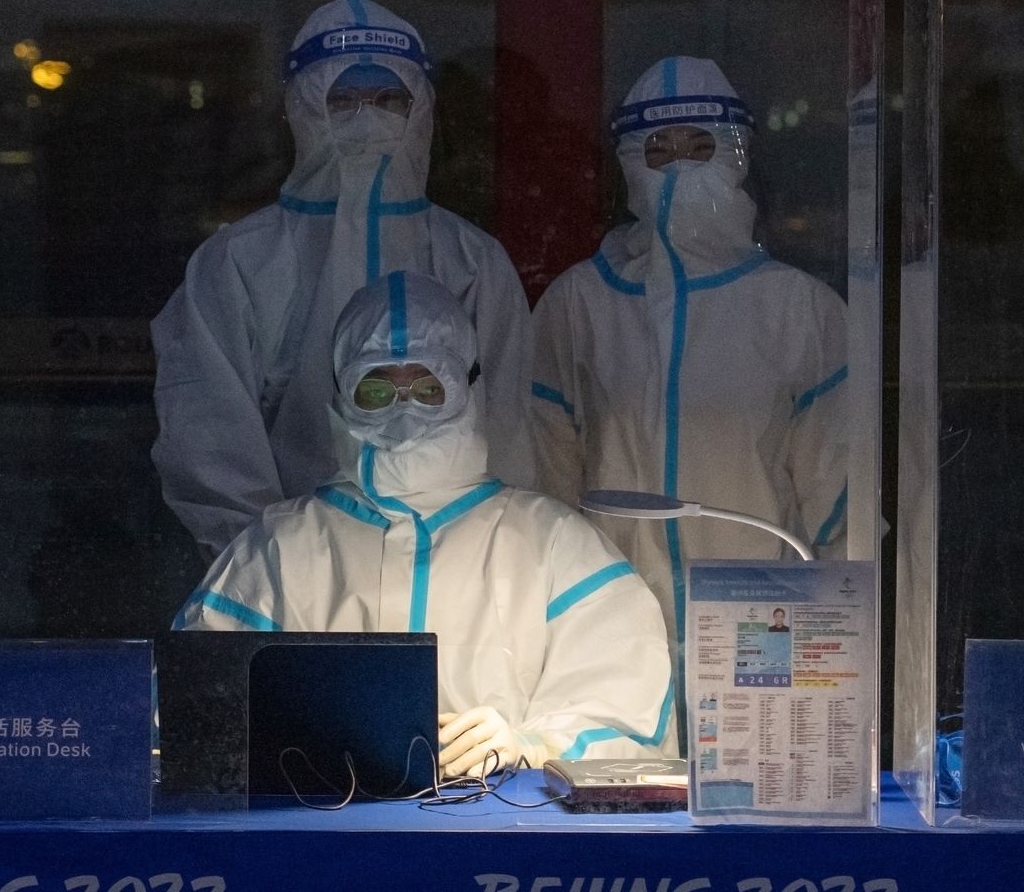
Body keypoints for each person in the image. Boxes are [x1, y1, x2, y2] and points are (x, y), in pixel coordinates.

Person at [176, 272, 672, 776]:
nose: (404, 411)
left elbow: (630, 711)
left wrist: (536, 745)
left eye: (428, 387)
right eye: (376, 389)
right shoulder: (281, 548)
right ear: (340, 393)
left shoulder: (555, 546)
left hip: (502, 842)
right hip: (326, 838)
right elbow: (194, 710)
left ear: (469, 385)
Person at [154, 0, 535, 560]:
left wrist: (488, 560)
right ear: (303, 110)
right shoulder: (239, 261)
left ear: (422, 109)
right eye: (344, 100)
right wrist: (268, 568)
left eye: (388, 99)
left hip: (455, 563)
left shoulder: (472, 259)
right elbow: (209, 433)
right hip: (289, 573)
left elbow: (507, 424)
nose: (368, 119)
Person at [529, 56, 849, 669]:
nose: (680, 167)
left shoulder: (799, 309)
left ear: (738, 154)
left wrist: (827, 649)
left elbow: (838, 506)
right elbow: (545, 488)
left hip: (764, 622)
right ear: (627, 160)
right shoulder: (578, 305)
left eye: (702, 146)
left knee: (752, 762)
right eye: (659, 149)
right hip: (605, 622)